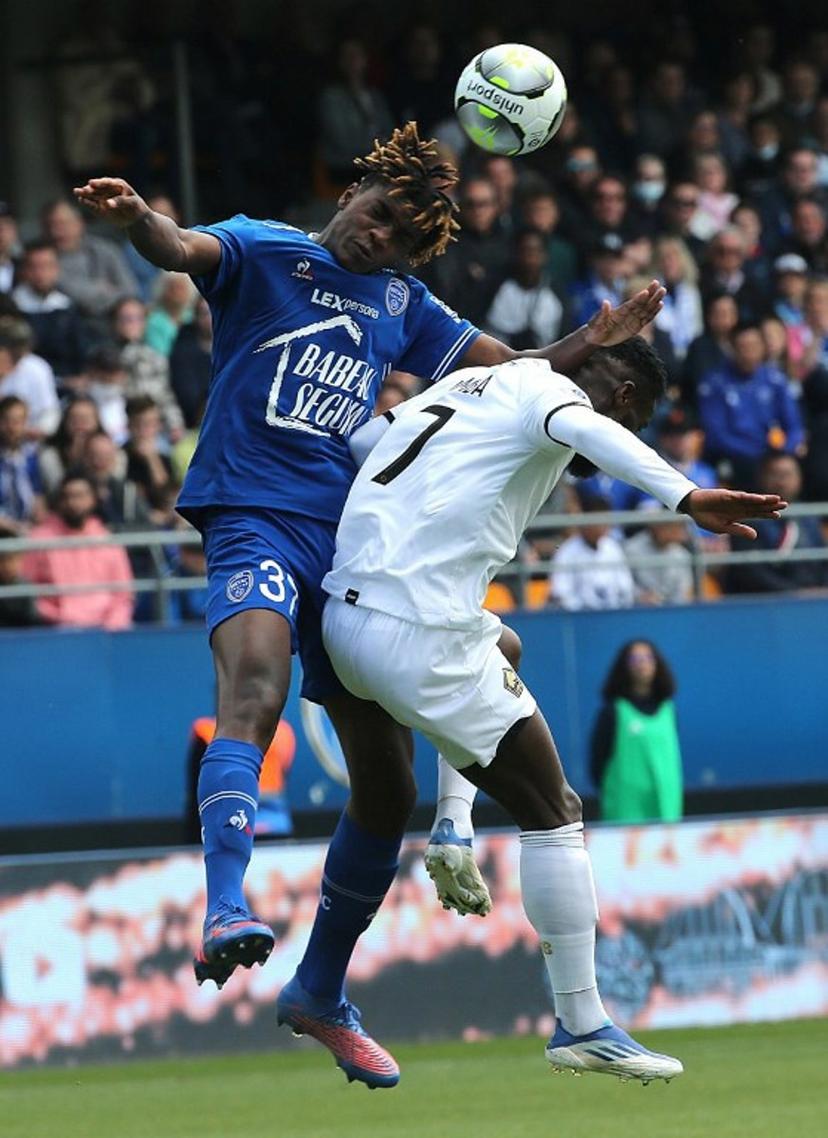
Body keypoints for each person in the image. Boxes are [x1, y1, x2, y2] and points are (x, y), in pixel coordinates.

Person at [74, 122, 666, 1087]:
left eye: (399, 235)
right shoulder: (268, 249)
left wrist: (585, 344)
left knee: (384, 793)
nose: (377, 236)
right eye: (377, 213)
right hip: (255, 518)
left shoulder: (403, 302)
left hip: (352, 554)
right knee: (253, 692)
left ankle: (318, 991)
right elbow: (182, 250)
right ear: (355, 192)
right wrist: (141, 216)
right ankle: (227, 904)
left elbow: (505, 380)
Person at [316, 338, 784, 1084]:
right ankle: (581, 1019)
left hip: (344, 621)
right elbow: (589, 429)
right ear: (624, 393)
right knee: (554, 809)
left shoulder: (467, 383)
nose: (626, 427)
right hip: (418, 632)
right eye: (641, 413)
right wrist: (686, 497)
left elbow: (366, 439)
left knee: (502, 643)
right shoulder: (551, 395)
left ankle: (452, 825)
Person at [22, 472, 134, 630]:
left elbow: (123, 594)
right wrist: (56, 616)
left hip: (107, 632)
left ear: (93, 499)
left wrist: (113, 626)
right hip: (56, 631)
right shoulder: (39, 539)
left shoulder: (108, 541)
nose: (73, 503)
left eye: (80, 496)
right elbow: (26, 589)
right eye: (67, 496)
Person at [590, 640, 683, 822]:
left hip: (666, 809)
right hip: (625, 812)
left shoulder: (669, 710)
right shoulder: (613, 712)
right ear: (624, 667)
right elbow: (597, 764)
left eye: (648, 658)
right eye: (634, 659)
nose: (642, 663)